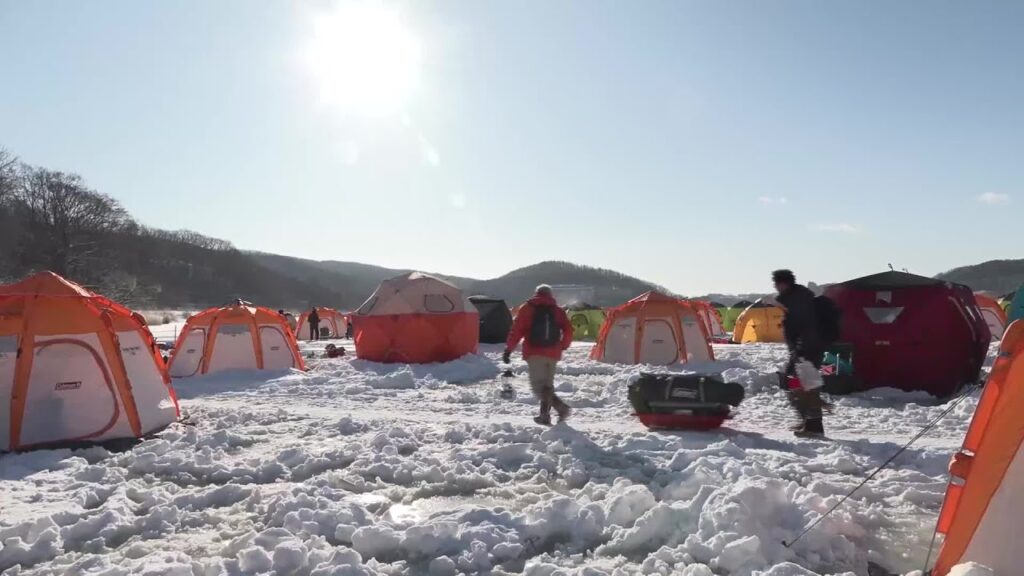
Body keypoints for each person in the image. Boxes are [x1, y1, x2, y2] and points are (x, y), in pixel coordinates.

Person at [503, 284, 574, 425]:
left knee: (538, 387)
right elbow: (568, 330)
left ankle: (561, 408)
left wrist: (508, 349)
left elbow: (516, 330)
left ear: (536, 293)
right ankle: (545, 415)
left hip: (534, 352)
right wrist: (563, 346)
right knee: (548, 385)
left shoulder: (527, 308)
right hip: (553, 352)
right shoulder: (558, 310)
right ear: (550, 294)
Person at [772, 269, 826, 438]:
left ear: (783, 283)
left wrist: (802, 350)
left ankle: (814, 426)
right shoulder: (795, 297)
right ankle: (807, 420)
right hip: (802, 350)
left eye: (777, 283)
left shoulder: (799, 299)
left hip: (807, 350)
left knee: (806, 386)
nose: (776, 286)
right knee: (794, 384)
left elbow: (807, 327)